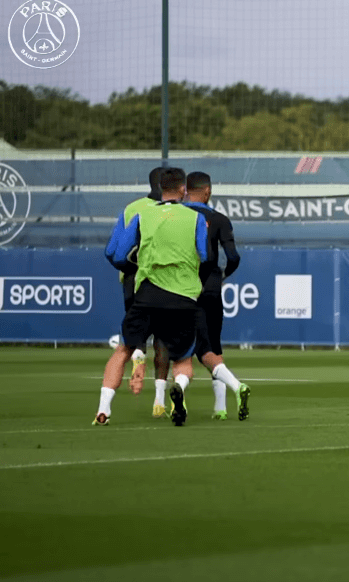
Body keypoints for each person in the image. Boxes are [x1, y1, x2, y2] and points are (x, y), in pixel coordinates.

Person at [98, 167, 208, 426]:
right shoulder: (196, 218)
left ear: (160, 187)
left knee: (123, 348)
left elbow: (116, 254)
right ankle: (176, 388)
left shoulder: (140, 215)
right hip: (182, 295)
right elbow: (205, 255)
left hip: (146, 293)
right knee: (181, 358)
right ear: (183, 189)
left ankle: (103, 409)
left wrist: (140, 265)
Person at [104, 166, 172, 416]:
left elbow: (112, 251)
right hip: (166, 281)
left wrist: (130, 268)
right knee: (164, 338)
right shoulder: (179, 210)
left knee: (134, 335)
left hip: (132, 281)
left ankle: (138, 355)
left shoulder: (132, 209)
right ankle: (159, 398)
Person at [184, 171, 250, 421]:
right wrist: (222, 276)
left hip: (185, 286)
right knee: (214, 344)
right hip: (212, 286)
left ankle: (237, 387)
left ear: (185, 190)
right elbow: (233, 257)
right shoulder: (220, 219)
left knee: (193, 349)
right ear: (208, 191)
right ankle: (220, 408)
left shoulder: (178, 216)